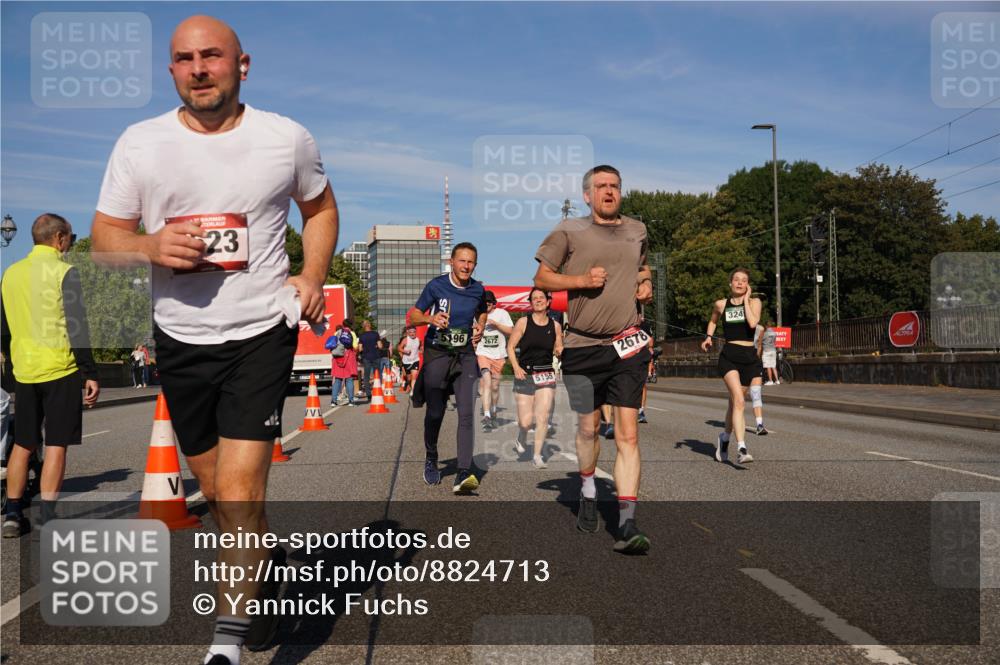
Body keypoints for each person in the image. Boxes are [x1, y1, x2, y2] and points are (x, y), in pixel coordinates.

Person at [90, 15, 338, 665]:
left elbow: (321, 208)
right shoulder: (140, 144)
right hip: (180, 338)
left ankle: (226, 644)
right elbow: (104, 240)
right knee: (222, 498)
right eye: (183, 58)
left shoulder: (285, 139)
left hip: (261, 329)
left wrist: (311, 275)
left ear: (242, 64)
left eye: (212, 56)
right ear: (170, 69)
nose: (198, 68)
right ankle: (266, 569)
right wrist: (148, 245)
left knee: (239, 491)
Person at [533, 164, 653, 555]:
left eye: (614, 186)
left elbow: (642, 266)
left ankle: (627, 520)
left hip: (627, 345)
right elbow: (542, 278)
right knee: (588, 429)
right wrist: (581, 281)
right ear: (587, 195)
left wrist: (646, 282)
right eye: (600, 186)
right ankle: (587, 489)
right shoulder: (569, 231)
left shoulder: (637, 230)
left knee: (628, 433)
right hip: (582, 347)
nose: (608, 191)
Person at [1, 214, 101, 538]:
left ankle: (13, 513)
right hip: (60, 369)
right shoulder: (63, 272)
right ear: (58, 238)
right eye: (70, 238)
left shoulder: (11, 273)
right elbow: (77, 325)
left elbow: (4, 329)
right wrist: (90, 372)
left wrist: (11, 367)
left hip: (25, 371)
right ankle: (48, 515)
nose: (71, 244)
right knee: (56, 444)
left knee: (24, 444)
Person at [407, 243, 486, 494]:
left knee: (466, 413)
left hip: (465, 355)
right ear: (451, 262)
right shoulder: (436, 286)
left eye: (471, 262)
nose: (466, 266)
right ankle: (431, 458)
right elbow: (414, 315)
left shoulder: (478, 289)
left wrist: (480, 327)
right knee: (435, 412)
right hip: (438, 353)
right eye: (461, 261)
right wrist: (431, 318)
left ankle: (463, 472)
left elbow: (482, 312)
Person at [700, 268, 762, 465]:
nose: (740, 283)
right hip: (729, 357)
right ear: (730, 283)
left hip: (749, 358)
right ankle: (742, 448)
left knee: (734, 403)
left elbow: (752, 323)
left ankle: (724, 438)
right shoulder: (721, 304)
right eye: (736, 280)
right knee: (739, 402)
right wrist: (709, 336)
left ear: (748, 285)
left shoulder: (755, 303)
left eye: (744, 281)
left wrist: (746, 299)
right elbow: (712, 321)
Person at [508, 288, 563, 468]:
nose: (538, 300)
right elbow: (510, 347)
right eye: (534, 298)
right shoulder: (523, 322)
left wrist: (560, 351)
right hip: (525, 374)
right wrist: (515, 367)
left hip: (546, 374)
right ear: (530, 303)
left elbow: (558, 347)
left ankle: (537, 456)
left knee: (543, 417)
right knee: (525, 422)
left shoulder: (555, 326)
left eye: (541, 298)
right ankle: (521, 436)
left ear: (548, 302)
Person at [475, 290, 514, 432]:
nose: (487, 305)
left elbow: (511, 331)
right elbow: (473, 331)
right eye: (484, 303)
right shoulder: (477, 314)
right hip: (483, 353)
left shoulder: (502, 314)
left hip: (498, 355)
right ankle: (486, 415)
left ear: (494, 303)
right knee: (486, 381)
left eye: (489, 302)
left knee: (495, 387)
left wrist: (496, 324)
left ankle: (494, 410)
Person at [326, 320, 359, 407]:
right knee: (349, 379)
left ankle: (333, 401)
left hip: (338, 357)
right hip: (348, 357)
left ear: (343, 325)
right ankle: (351, 401)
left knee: (337, 379)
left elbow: (332, 344)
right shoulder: (352, 333)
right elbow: (355, 346)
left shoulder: (337, 332)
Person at [750, 321, 770, 435]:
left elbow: (759, 345)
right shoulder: (741, 325)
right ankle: (733, 420)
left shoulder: (761, 328)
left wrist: (756, 360)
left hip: (754, 361)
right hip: (740, 361)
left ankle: (759, 425)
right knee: (738, 397)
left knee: (756, 393)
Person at [357, 320, 381, 397]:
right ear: (370, 325)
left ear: (363, 326)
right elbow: (380, 346)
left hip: (366, 357)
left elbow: (360, 349)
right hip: (376, 356)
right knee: (377, 375)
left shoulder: (362, 336)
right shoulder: (375, 334)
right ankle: (377, 391)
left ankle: (368, 394)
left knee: (366, 376)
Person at [398, 325, 422, 393]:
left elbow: (420, 347)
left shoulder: (418, 340)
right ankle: (409, 385)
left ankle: (413, 392)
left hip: (415, 360)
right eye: (410, 332)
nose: (412, 333)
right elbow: (399, 348)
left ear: (416, 332)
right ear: (408, 332)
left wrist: (421, 350)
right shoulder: (405, 340)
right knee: (409, 377)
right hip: (406, 361)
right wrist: (405, 351)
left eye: (414, 332)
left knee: (414, 376)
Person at [761, 319, 779, 386]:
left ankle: (770, 381)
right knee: (773, 366)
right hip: (773, 350)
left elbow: (761, 341)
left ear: (766, 326)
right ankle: (777, 380)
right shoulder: (774, 333)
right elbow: (774, 342)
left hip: (766, 351)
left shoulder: (765, 334)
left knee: (768, 366)